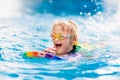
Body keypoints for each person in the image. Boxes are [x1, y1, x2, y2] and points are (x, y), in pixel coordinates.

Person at [24, 20, 93, 61]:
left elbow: (74, 60)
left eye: (61, 36)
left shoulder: (79, 51)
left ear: (73, 39)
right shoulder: (53, 49)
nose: (56, 39)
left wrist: (60, 56)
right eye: (53, 36)